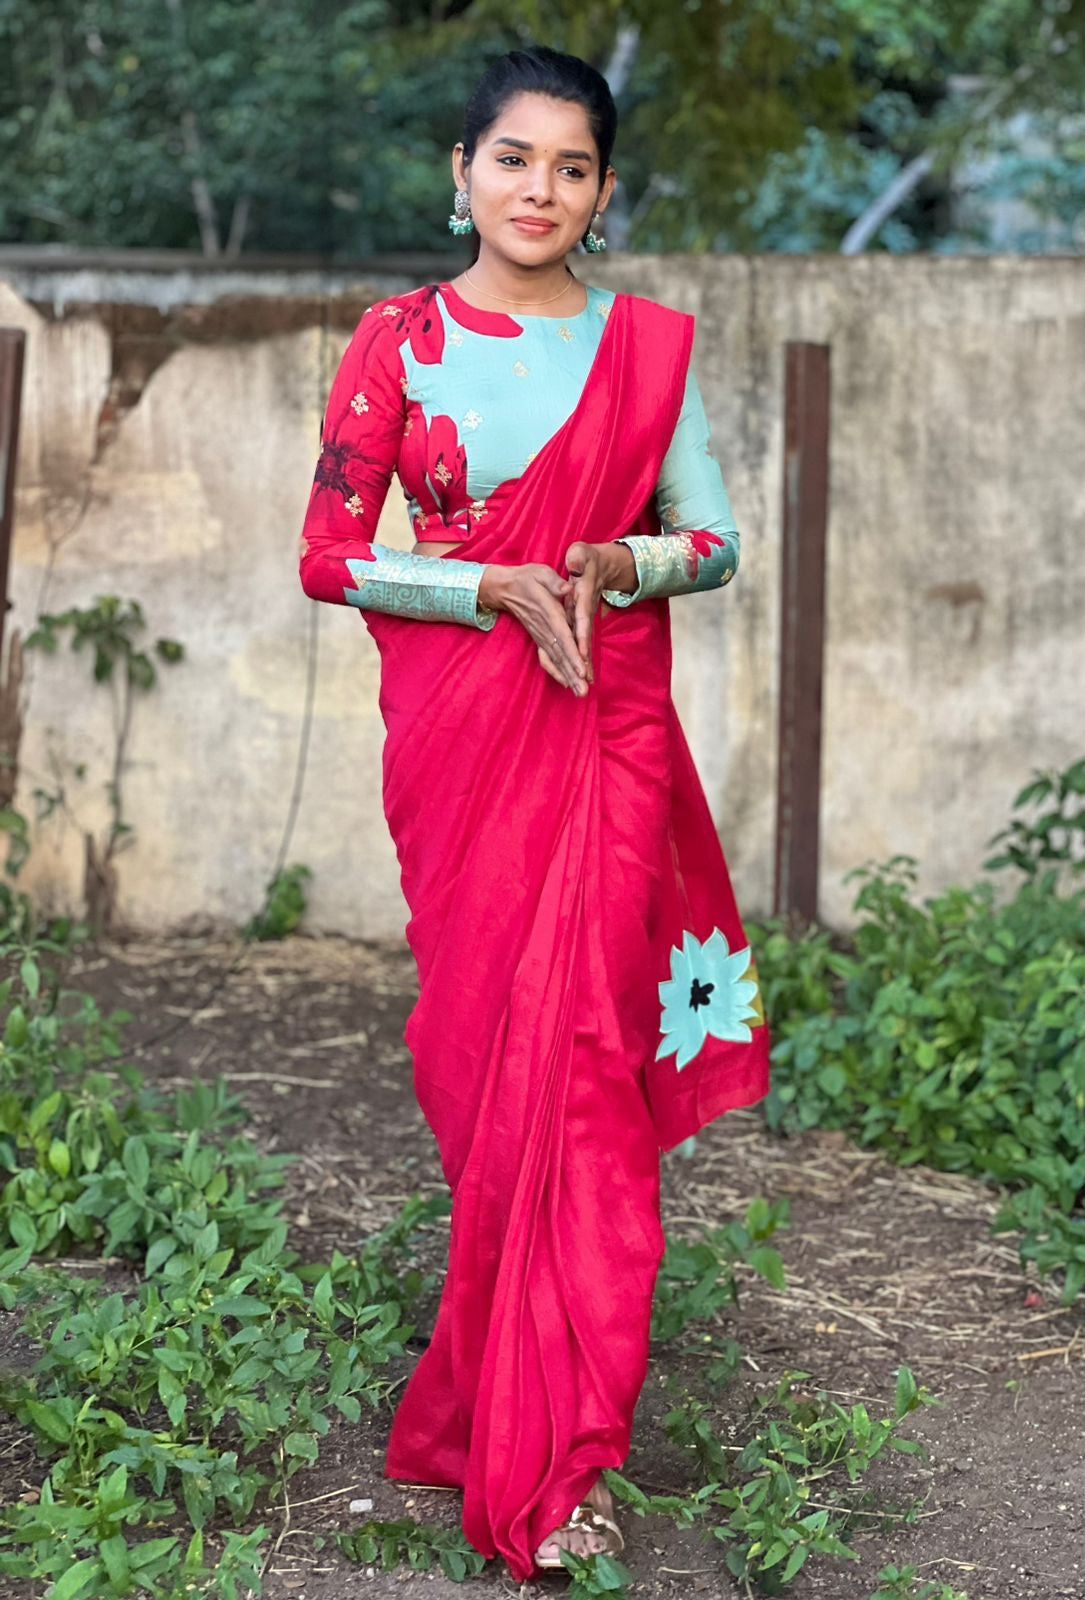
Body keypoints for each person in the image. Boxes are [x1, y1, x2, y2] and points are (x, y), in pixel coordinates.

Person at [296, 43, 771, 1583]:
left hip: (609, 728)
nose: (541, 190)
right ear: (461, 173)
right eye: (514, 159)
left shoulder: (645, 350)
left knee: (580, 1069)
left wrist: (626, 565)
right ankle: (486, 1397)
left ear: (605, 192)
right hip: (462, 740)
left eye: (573, 167)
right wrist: (486, 582)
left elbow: (713, 537)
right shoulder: (397, 342)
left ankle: (567, 1455)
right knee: (480, 1056)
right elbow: (325, 554)